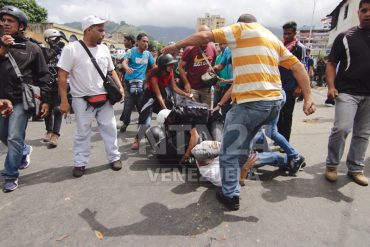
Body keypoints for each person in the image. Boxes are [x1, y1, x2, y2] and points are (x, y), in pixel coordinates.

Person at [162, 13, 315, 211]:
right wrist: (309, 98)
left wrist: (175, 47)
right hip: (274, 102)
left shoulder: (242, 29)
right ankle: (277, 162)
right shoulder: (271, 38)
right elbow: (298, 67)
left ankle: (230, 194)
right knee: (245, 145)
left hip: (251, 103)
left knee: (228, 152)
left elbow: (205, 36)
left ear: (241, 24)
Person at [58, 15, 124, 177]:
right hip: (82, 100)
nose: (103, 34)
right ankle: (80, 163)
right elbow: (62, 76)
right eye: (100, 30)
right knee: (83, 132)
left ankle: (114, 157)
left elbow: (111, 70)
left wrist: (120, 88)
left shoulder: (104, 49)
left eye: (104, 30)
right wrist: (64, 102)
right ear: (88, 30)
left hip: (105, 98)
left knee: (110, 129)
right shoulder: (71, 49)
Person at [0, 6, 51, 192]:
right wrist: (4, 48)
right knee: (3, 134)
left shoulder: (33, 48)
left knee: (14, 136)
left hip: (21, 100)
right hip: (1, 100)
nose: (5, 23)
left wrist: (46, 100)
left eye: (10, 21)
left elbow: (44, 76)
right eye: (3, 20)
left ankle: (11, 175)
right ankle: (24, 150)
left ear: (21, 25)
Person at [325, 0, 370, 186]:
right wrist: (331, 87)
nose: (368, 14)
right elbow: (331, 63)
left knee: (363, 133)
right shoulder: (345, 36)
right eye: (364, 10)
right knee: (342, 128)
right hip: (347, 92)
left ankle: (355, 168)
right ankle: (332, 165)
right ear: (358, 13)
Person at [131, 54, 192, 150]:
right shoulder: (154, 77)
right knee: (145, 123)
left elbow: (174, 87)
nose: (172, 66)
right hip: (150, 99)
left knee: (172, 116)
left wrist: (185, 94)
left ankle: (168, 137)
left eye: (172, 64)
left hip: (162, 96)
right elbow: (157, 95)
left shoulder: (170, 72)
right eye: (170, 65)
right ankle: (137, 139)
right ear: (163, 66)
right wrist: (164, 109)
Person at [119, 33, 156, 133]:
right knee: (128, 104)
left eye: (147, 41)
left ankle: (143, 124)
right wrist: (126, 68)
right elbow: (124, 62)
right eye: (144, 41)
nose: (146, 44)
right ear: (138, 41)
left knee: (142, 104)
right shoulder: (131, 52)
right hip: (129, 82)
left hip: (142, 83)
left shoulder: (148, 54)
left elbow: (154, 67)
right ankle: (125, 122)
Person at [277, 21, 306, 142]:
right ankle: (278, 137)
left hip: (291, 86)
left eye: (289, 34)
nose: (286, 36)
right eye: (284, 34)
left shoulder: (299, 48)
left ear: (294, 33)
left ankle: (285, 140)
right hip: (278, 85)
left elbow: (302, 68)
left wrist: (299, 87)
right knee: (277, 113)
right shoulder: (280, 46)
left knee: (287, 115)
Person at [178, 25, 217, 108]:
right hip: (192, 88)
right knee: (192, 113)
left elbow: (214, 65)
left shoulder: (213, 48)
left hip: (207, 89)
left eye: (207, 35)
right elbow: (180, 67)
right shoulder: (190, 49)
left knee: (206, 113)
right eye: (202, 35)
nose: (205, 38)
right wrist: (186, 83)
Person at [42, 29, 68, 148]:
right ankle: (49, 131)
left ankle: (56, 134)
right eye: (55, 39)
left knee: (58, 109)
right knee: (47, 109)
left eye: (58, 39)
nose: (57, 42)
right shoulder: (43, 51)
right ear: (48, 39)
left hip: (59, 84)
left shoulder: (63, 52)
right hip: (46, 84)